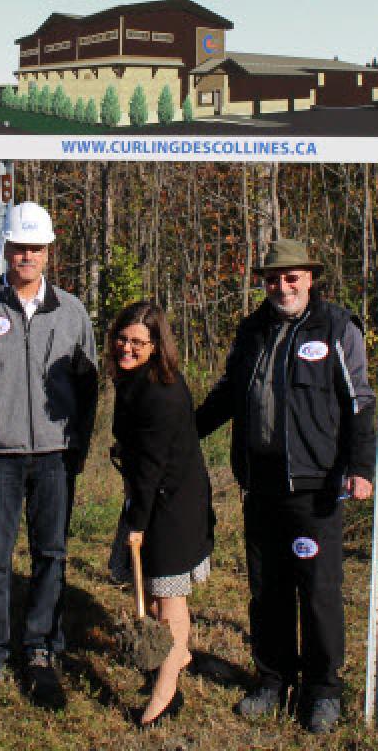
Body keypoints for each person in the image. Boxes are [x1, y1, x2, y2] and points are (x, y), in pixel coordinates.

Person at [195, 239, 376, 734]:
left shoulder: (337, 327)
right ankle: (272, 680)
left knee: (318, 592)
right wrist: (182, 435)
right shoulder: (252, 330)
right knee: (267, 590)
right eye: (274, 278)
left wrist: (360, 469)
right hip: (261, 485)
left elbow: (359, 402)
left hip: (315, 489)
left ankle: (323, 690)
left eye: (292, 277)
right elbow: (228, 393)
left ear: (310, 278)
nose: (283, 286)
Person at [0, 202, 98, 710]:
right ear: (7, 250)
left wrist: (77, 445)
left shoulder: (72, 311)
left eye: (35, 248)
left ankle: (41, 648)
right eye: (18, 246)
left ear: (48, 253)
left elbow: (89, 385)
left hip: (55, 457)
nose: (26, 255)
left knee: (51, 555)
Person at [105, 301, 214, 727]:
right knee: (151, 590)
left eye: (138, 342)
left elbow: (152, 468)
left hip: (174, 506)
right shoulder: (131, 381)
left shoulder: (161, 392)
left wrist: (136, 525)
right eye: (123, 338)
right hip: (151, 494)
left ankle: (165, 694)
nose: (127, 348)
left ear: (156, 346)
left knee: (169, 598)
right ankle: (176, 653)